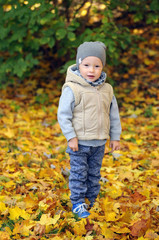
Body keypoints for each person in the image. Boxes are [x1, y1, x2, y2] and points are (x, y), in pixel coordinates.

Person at [58, 41, 121, 218]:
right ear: (79, 64)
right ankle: (78, 203)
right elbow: (63, 115)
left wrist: (114, 137)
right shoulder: (72, 88)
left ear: (102, 67)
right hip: (79, 143)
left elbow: (113, 114)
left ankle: (92, 200)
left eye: (96, 66)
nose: (91, 70)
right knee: (79, 174)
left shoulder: (107, 90)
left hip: (99, 142)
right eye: (86, 65)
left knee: (94, 174)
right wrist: (70, 137)